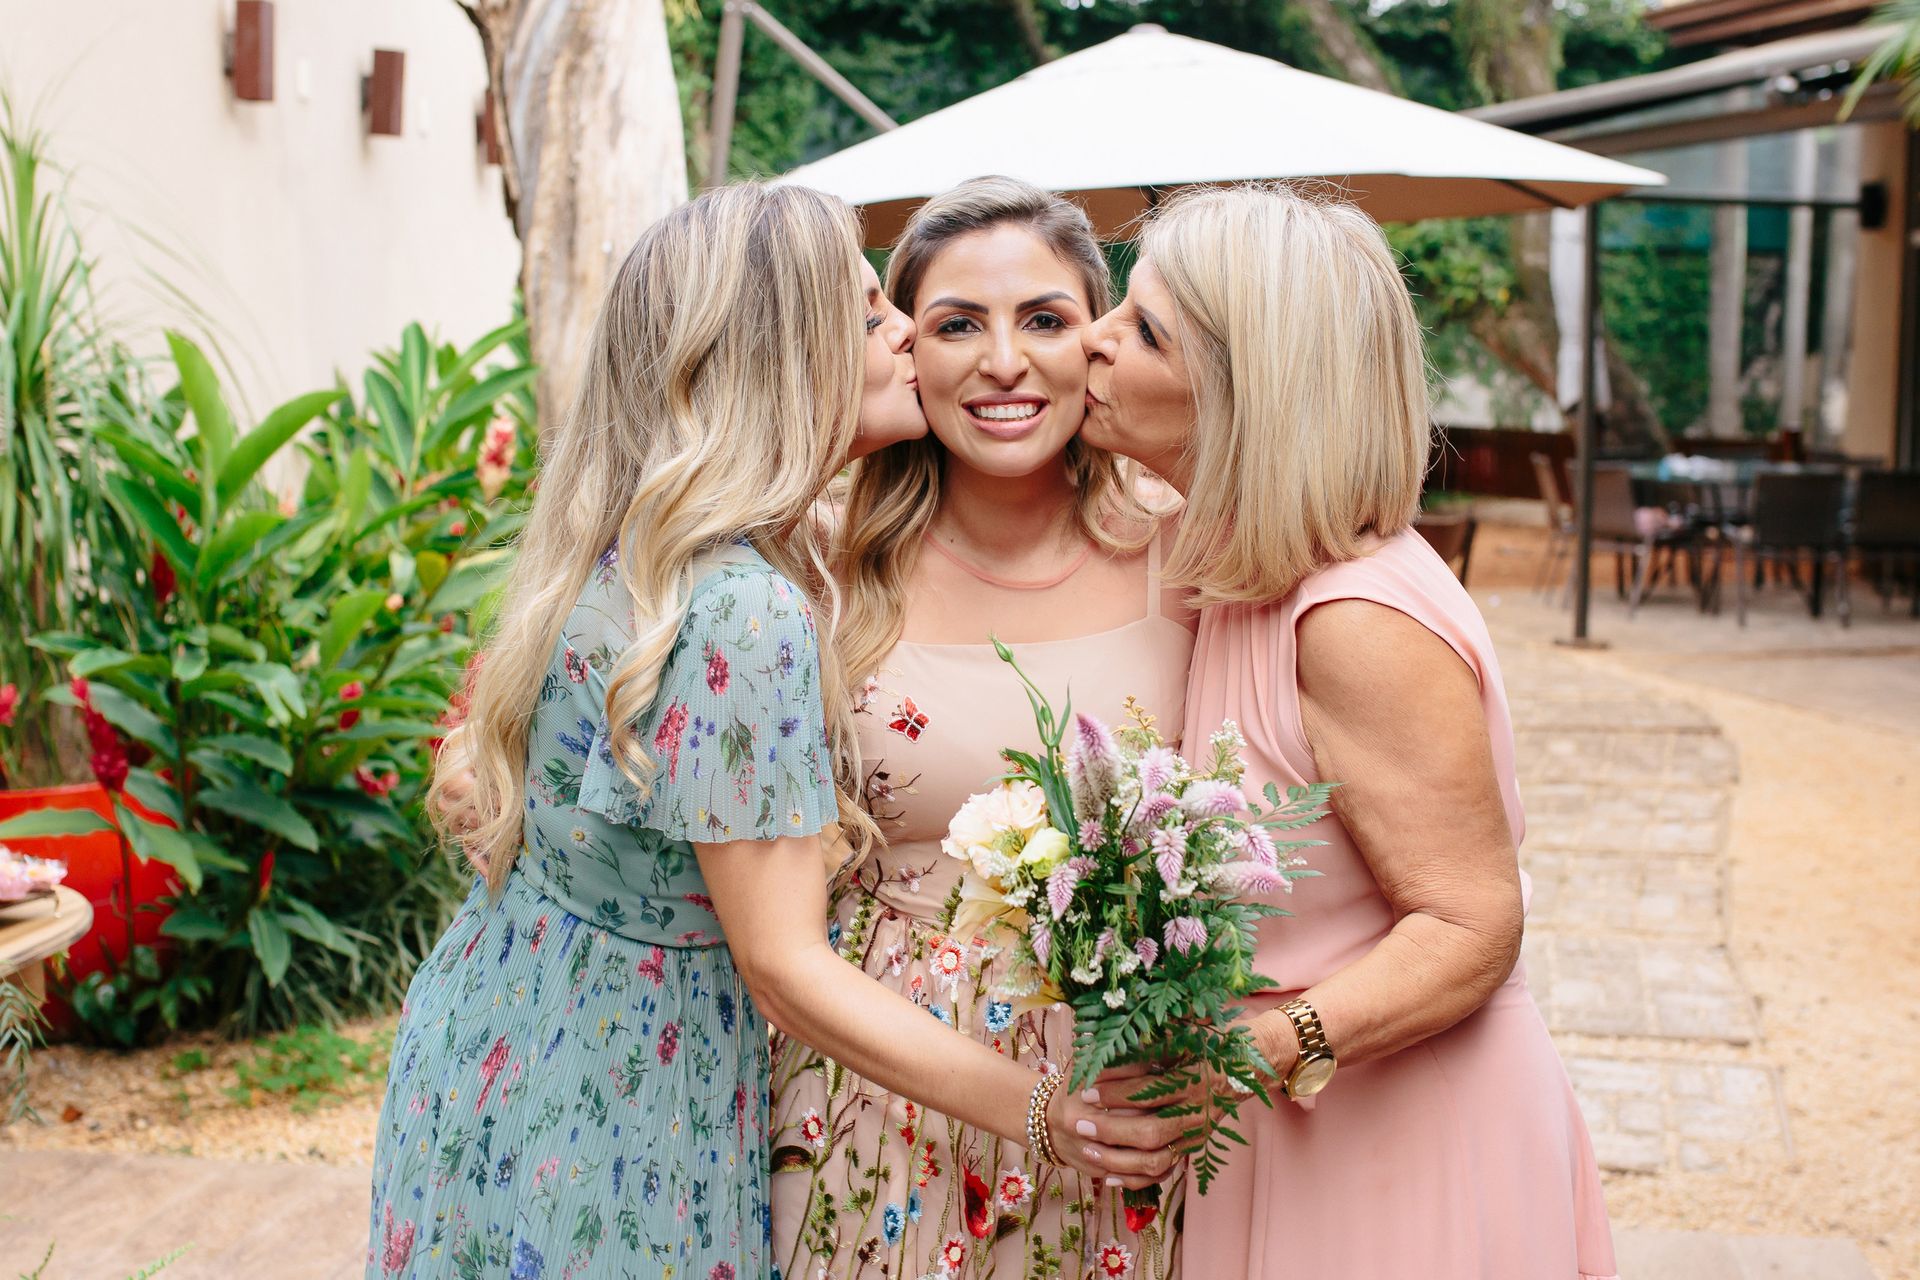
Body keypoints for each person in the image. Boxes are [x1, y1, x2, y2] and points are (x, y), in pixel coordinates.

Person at [369, 182, 1182, 1280]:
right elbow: (784, 958)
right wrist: (1045, 1111)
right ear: (777, 350)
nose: (912, 337)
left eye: (1042, 318)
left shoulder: (678, 546)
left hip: (508, 1038)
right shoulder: (759, 599)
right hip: (621, 1096)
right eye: (874, 314)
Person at [1076, 182, 1618, 1279]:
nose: (1093, 337)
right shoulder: (1232, 564)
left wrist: (1257, 1049)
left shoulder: (1356, 616)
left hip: (1401, 1139)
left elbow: (1471, 923)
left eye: (1141, 329)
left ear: (1243, 391)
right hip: (1285, 1128)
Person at [769, 176, 1197, 1280]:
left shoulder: (1194, 553)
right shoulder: (815, 563)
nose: (1004, 361)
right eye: (959, 323)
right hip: (878, 1092)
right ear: (906, 346)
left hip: (1124, 1097)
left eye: (1045, 320)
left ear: (1097, 341)